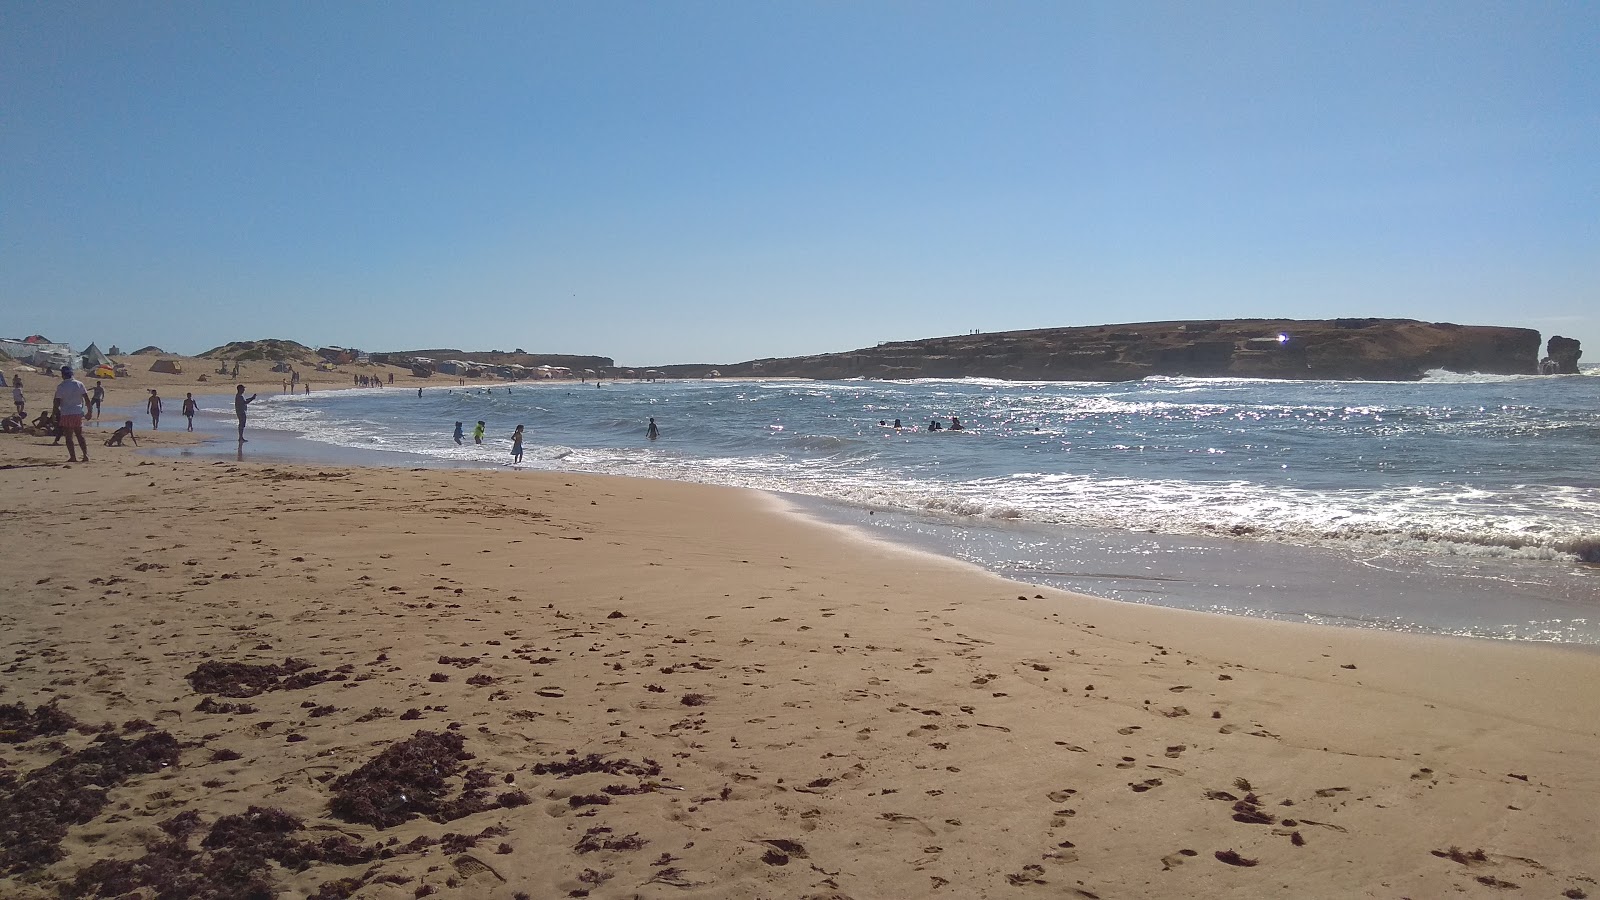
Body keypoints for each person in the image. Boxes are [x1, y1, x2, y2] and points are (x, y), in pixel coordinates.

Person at [52, 366, 90, 462]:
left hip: (66, 413)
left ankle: (73, 457)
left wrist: (54, 413)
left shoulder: (61, 386)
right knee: (79, 435)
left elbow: (56, 401)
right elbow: (86, 398)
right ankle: (85, 455)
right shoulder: (79, 384)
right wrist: (90, 411)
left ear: (63, 375)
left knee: (69, 437)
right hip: (77, 412)